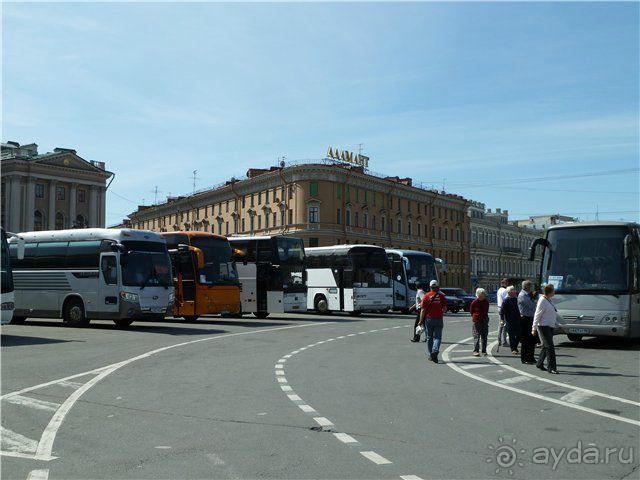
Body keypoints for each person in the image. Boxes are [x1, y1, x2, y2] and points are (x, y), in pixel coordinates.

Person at [418, 279, 447, 363]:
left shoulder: (426, 296)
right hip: (438, 319)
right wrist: (441, 312)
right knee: (437, 337)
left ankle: (431, 355)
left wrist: (420, 321)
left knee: (429, 337)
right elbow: (445, 308)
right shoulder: (441, 296)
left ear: (430, 287)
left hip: (429, 319)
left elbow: (423, 310)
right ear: (437, 287)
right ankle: (435, 351)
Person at [532, 284, 559, 374]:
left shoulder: (548, 300)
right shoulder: (542, 300)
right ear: (550, 292)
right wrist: (534, 328)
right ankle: (551, 367)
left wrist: (556, 323)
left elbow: (551, 313)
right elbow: (537, 314)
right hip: (543, 326)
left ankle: (539, 363)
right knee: (550, 347)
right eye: (553, 290)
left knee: (546, 346)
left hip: (549, 326)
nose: (554, 292)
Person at [517, 280, 537, 364]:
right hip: (525, 319)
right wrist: (535, 298)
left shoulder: (528, 295)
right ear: (527, 287)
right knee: (526, 340)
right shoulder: (522, 295)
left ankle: (531, 357)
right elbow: (533, 305)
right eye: (530, 286)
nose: (532, 288)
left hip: (530, 318)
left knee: (532, 340)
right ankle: (525, 358)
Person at [500, 286, 521, 355]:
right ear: (509, 292)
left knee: (519, 335)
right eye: (512, 290)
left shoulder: (517, 299)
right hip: (509, 320)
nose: (514, 291)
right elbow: (502, 311)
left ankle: (515, 346)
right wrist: (502, 320)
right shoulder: (506, 300)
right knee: (511, 336)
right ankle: (514, 349)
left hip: (518, 320)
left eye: (514, 290)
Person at [469, 288, 489, 356]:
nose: (483, 296)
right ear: (478, 295)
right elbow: (471, 311)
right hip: (477, 321)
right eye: (482, 294)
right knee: (476, 336)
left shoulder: (486, 302)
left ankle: (484, 351)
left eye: (484, 294)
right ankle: (476, 351)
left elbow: (486, 311)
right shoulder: (474, 302)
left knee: (484, 336)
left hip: (484, 320)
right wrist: (475, 317)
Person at [496, 278, 509, 347]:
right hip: (504, 309)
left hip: (499, 308)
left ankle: (499, 340)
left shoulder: (499, 290)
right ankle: (504, 341)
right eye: (507, 283)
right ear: (504, 283)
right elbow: (507, 300)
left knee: (500, 324)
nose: (507, 284)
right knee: (504, 325)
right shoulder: (505, 291)